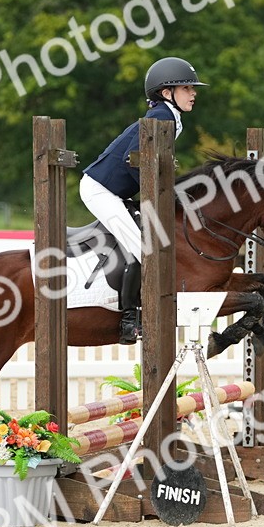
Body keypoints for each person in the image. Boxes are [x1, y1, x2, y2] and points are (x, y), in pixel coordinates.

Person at [80, 56, 207, 343]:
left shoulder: (167, 117)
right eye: (187, 88)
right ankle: (128, 319)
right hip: (101, 190)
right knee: (144, 249)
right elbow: (133, 160)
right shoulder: (160, 118)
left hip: (116, 190)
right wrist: (157, 199)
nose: (193, 93)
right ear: (167, 93)